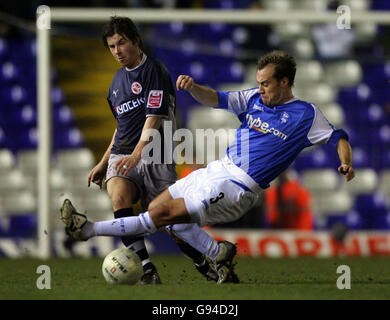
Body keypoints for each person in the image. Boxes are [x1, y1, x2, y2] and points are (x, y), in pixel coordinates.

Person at [61, 50, 355, 283]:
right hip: (217, 169)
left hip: (238, 186)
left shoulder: (306, 114)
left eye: (266, 83)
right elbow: (217, 99)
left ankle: (88, 229)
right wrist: (193, 88)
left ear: (285, 82)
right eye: (259, 81)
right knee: (159, 212)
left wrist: (346, 162)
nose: (260, 87)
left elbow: (338, 138)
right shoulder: (253, 98)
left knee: (162, 215)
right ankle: (218, 253)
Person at [82, 16, 227, 284]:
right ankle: (147, 270)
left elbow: (154, 118)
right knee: (119, 198)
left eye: (122, 43)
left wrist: (138, 154)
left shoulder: (155, 71)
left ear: (135, 40)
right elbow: (121, 127)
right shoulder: (115, 83)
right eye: (112, 46)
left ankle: (203, 262)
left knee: (172, 223)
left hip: (156, 154)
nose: (117, 51)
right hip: (123, 154)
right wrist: (104, 162)